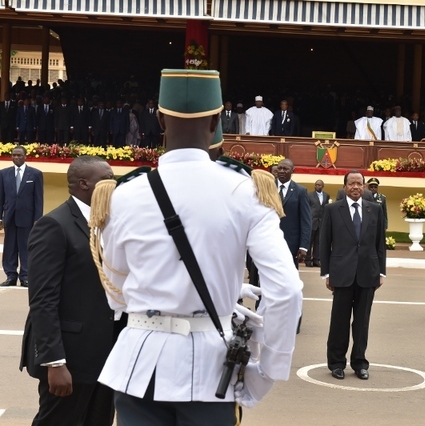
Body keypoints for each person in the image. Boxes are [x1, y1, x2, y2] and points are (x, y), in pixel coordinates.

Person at [96, 69, 303, 425]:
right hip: (211, 370)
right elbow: (285, 291)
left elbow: (117, 291)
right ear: (216, 120)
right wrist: (267, 371)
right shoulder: (246, 191)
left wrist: (161, 303)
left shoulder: (123, 195)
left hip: (139, 365)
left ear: (160, 119)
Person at [20, 156, 119, 426]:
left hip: (107, 356)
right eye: (107, 178)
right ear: (84, 184)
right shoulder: (55, 225)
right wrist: (54, 362)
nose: (114, 184)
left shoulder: (108, 226)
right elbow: (42, 300)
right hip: (71, 357)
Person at [320, 170, 386, 381]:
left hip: (368, 273)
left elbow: (380, 244)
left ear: (364, 186)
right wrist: (326, 273)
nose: (356, 187)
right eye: (352, 183)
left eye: (359, 183)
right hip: (341, 273)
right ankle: (337, 363)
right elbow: (324, 242)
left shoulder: (374, 209)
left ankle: (359, 362)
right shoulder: (332, 209)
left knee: (362, 322)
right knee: (339, 321)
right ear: (345, 186)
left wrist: (381, 272)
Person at [0, 146, 43, 288]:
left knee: (26, 247)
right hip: (10, 216)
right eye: (14, 155)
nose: (16, 158)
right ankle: (10, 275)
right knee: (10, 247)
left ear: (25, 156)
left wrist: (38, 218)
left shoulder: (35, 174)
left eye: (19, 155)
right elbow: (1, 197)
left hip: (27, 217)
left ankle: (25, 276)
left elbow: (38, 198)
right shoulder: (3, 174)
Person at [276, 158, 312, 267]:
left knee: (288, 279)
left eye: (285, 169)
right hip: (268, 241)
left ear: (292, 171)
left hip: (291, 244)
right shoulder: (268, 187)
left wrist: (303, 246)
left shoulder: (300, 191)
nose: (282, 171)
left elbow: (306, 221)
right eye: (280, 168)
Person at [305, 179, 329, 267]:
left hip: (321, 222)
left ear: (323, 186)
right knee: (309, 242)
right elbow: (307, 208)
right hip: (312, 221)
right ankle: (307, 259)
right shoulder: (309, 195)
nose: (317, 186)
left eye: (319, 185)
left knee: (318, 242)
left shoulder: (326, 195)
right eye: (316, 185)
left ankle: (316, 259)